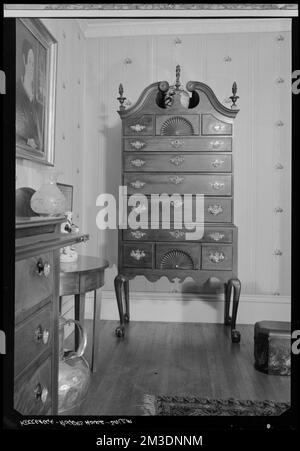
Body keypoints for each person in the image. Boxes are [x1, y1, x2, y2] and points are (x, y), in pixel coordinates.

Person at [16, 39, 43, 150]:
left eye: (33, 64)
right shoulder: (17, 92)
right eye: (30, 62)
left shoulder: (37, 101)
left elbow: (40, 140)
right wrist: (27, 141)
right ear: (24, 60)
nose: (32, 67)